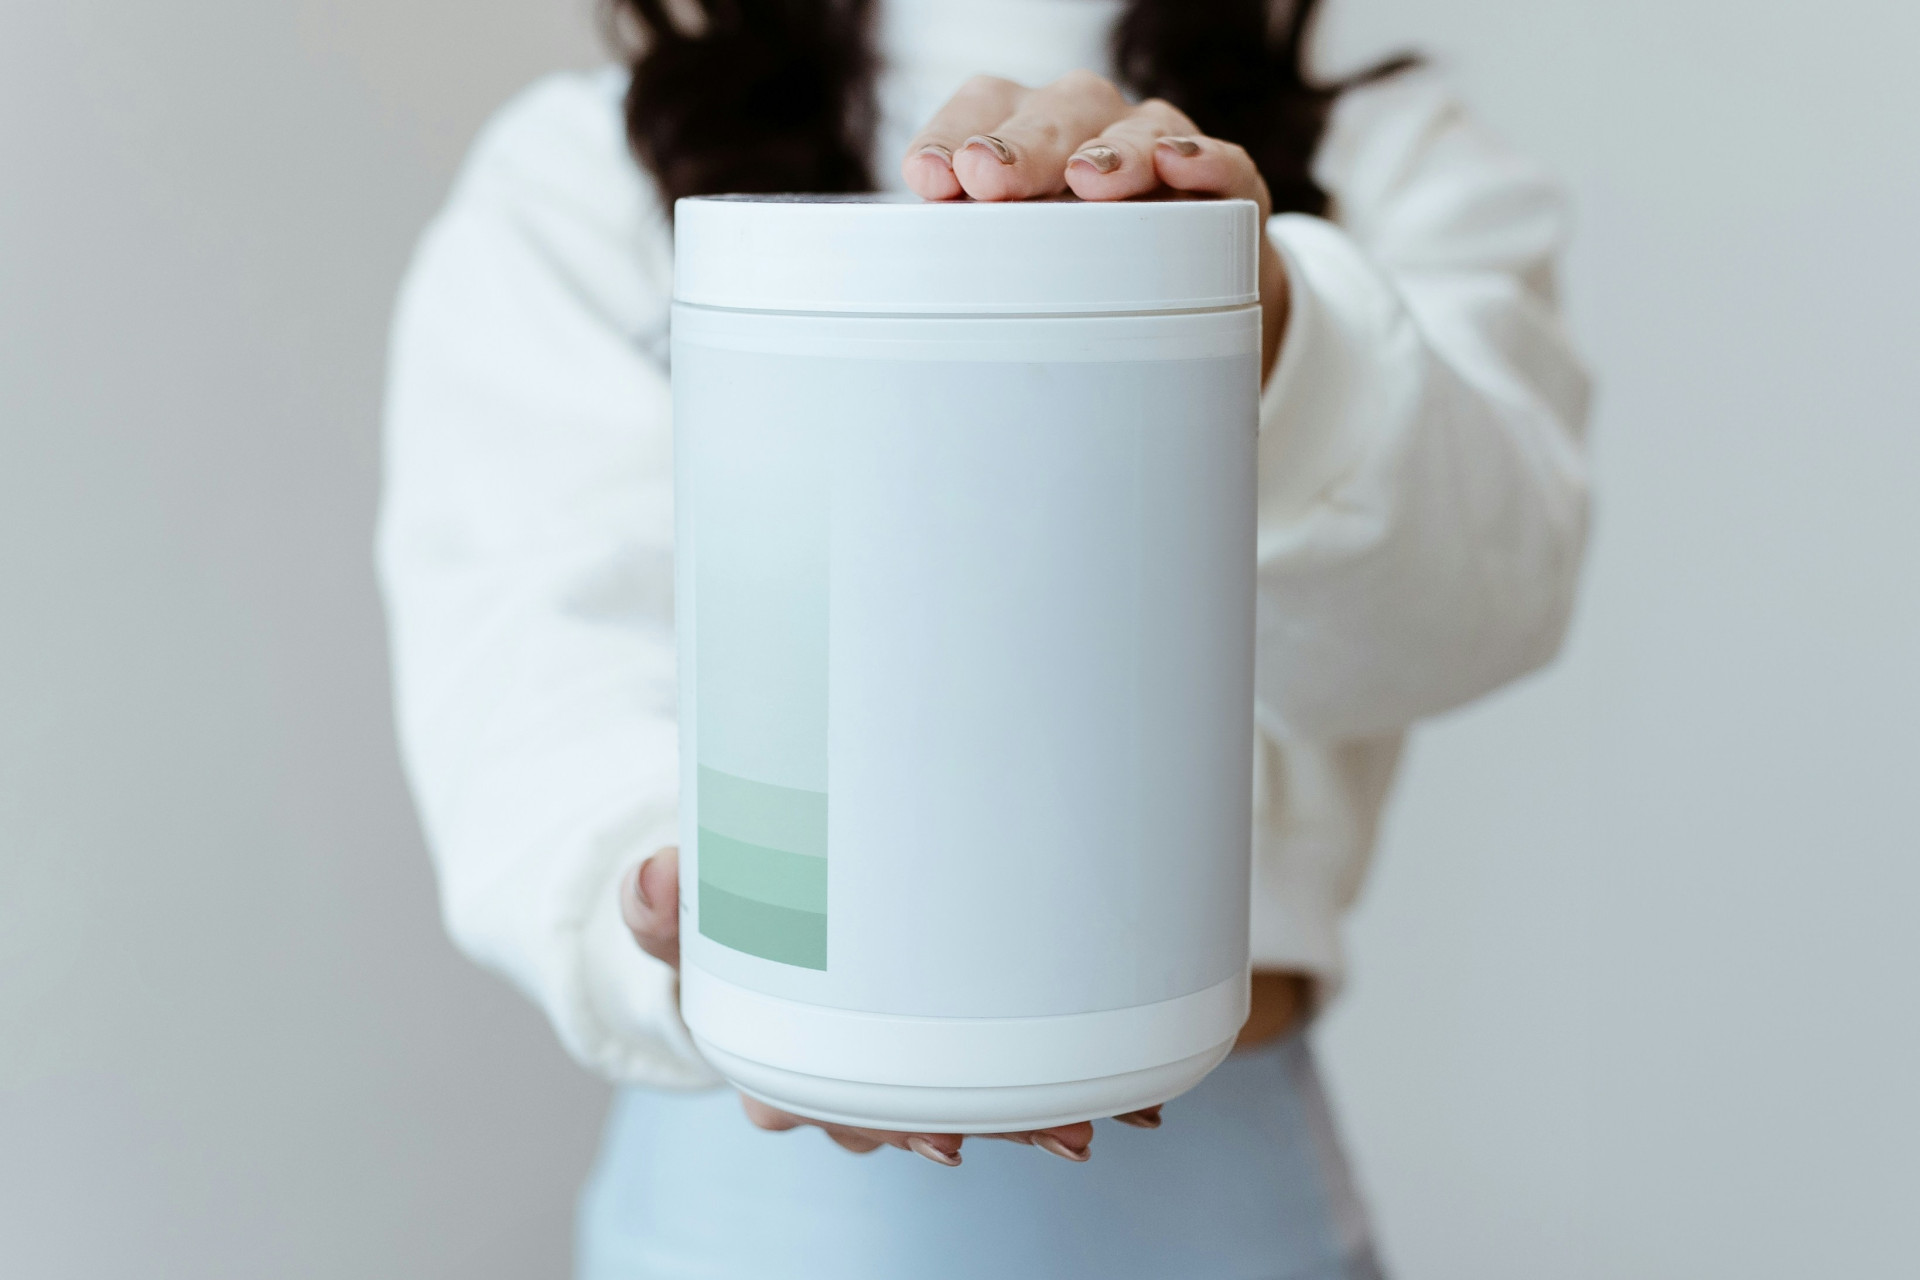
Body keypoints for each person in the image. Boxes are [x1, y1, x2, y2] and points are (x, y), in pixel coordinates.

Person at [378, 0, 1590, 1275]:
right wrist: (694, 924)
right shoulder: (589, 166)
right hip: (747, 1187)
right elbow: (528, 653)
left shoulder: (1382, 149)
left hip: (1208, 1186)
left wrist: (1273, 335)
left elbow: (1496, 588)